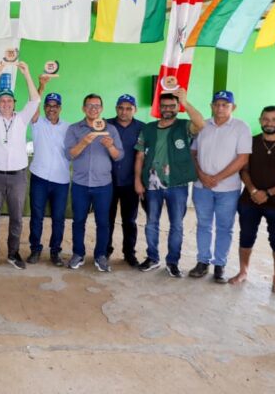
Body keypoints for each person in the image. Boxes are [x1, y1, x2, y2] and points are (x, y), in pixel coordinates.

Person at [228, 106, 275, 295]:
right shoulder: (250, 143)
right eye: (266, 119)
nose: (270, 123)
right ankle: (243, 272)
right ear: (260, 120)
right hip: (249, 200)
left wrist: (267, 193)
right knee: (246, 236)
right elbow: (244, 170)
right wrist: (252, 190)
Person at [134, 89, 205, 277]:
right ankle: (152, 258)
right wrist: (137, 181)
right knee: (151, 223)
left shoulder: (184, 126)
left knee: (177, 225)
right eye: (163, 106)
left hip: (177, 185)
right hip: (151, 185)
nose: (167, 109)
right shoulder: (148, 128)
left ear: (177, 107)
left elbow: (201, 123)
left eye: (172, 106)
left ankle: (172, 262)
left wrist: (186, 102)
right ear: (158, 107)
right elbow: (140, 156)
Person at [0, 61, 39, 270]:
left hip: (18, 177)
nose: (6, 103)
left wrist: (27, 73)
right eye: (2, 100)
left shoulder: (22, 119)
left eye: (9, 100)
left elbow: (35, 99)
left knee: (16, 217)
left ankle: (13, 254)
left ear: (14, 103)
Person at [189, 90, 251, 283]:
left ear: (233, 107)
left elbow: (242, 159)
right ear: (211, 106)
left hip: (228, 190)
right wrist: (201, 175)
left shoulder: (241, 128)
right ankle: (202, 261)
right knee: (203, 225)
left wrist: (216, 178)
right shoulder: (202, 126)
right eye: (217, 104)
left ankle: (219, 265)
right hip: (201, 187)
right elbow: (193, 153)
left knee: (225, 227)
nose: (220, 108)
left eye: (225, 104)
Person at [64, 94, 124, 272]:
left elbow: (119, 156)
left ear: (102, 109)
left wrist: (110, 146)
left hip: (103, 185)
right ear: (83, 108)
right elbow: (69, 154)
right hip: (80, 184)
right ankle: (78, 254)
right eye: (89, 105)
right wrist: (84, 141)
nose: (93, 109)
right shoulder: (74, 129)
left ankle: (100, 256)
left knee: (103, 222)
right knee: (78, 221)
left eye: (97, 106)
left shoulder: (111, 129)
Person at [28, 80, 70, 267]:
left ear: (60, 108)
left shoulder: (69, 128)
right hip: (39, 178)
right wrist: (41, 87)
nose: (52, 109)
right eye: (48, 105)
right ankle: (35, 249)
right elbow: (32, 104)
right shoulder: (37, 123)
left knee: (58, 218)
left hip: (61, 180)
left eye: (55, 106)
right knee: (36, 216)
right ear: (44, 107)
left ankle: (55, 252)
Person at [105, 94, 144, 267]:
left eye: (129, 108)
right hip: (108, 181)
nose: (124, 111)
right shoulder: (106, 125)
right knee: (107, 219)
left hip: (131, 182)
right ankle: (105, 250)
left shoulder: (142, 128)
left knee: (129, 221)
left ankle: (129, 253)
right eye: (121, 107)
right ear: (116, 108)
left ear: (135, 110)